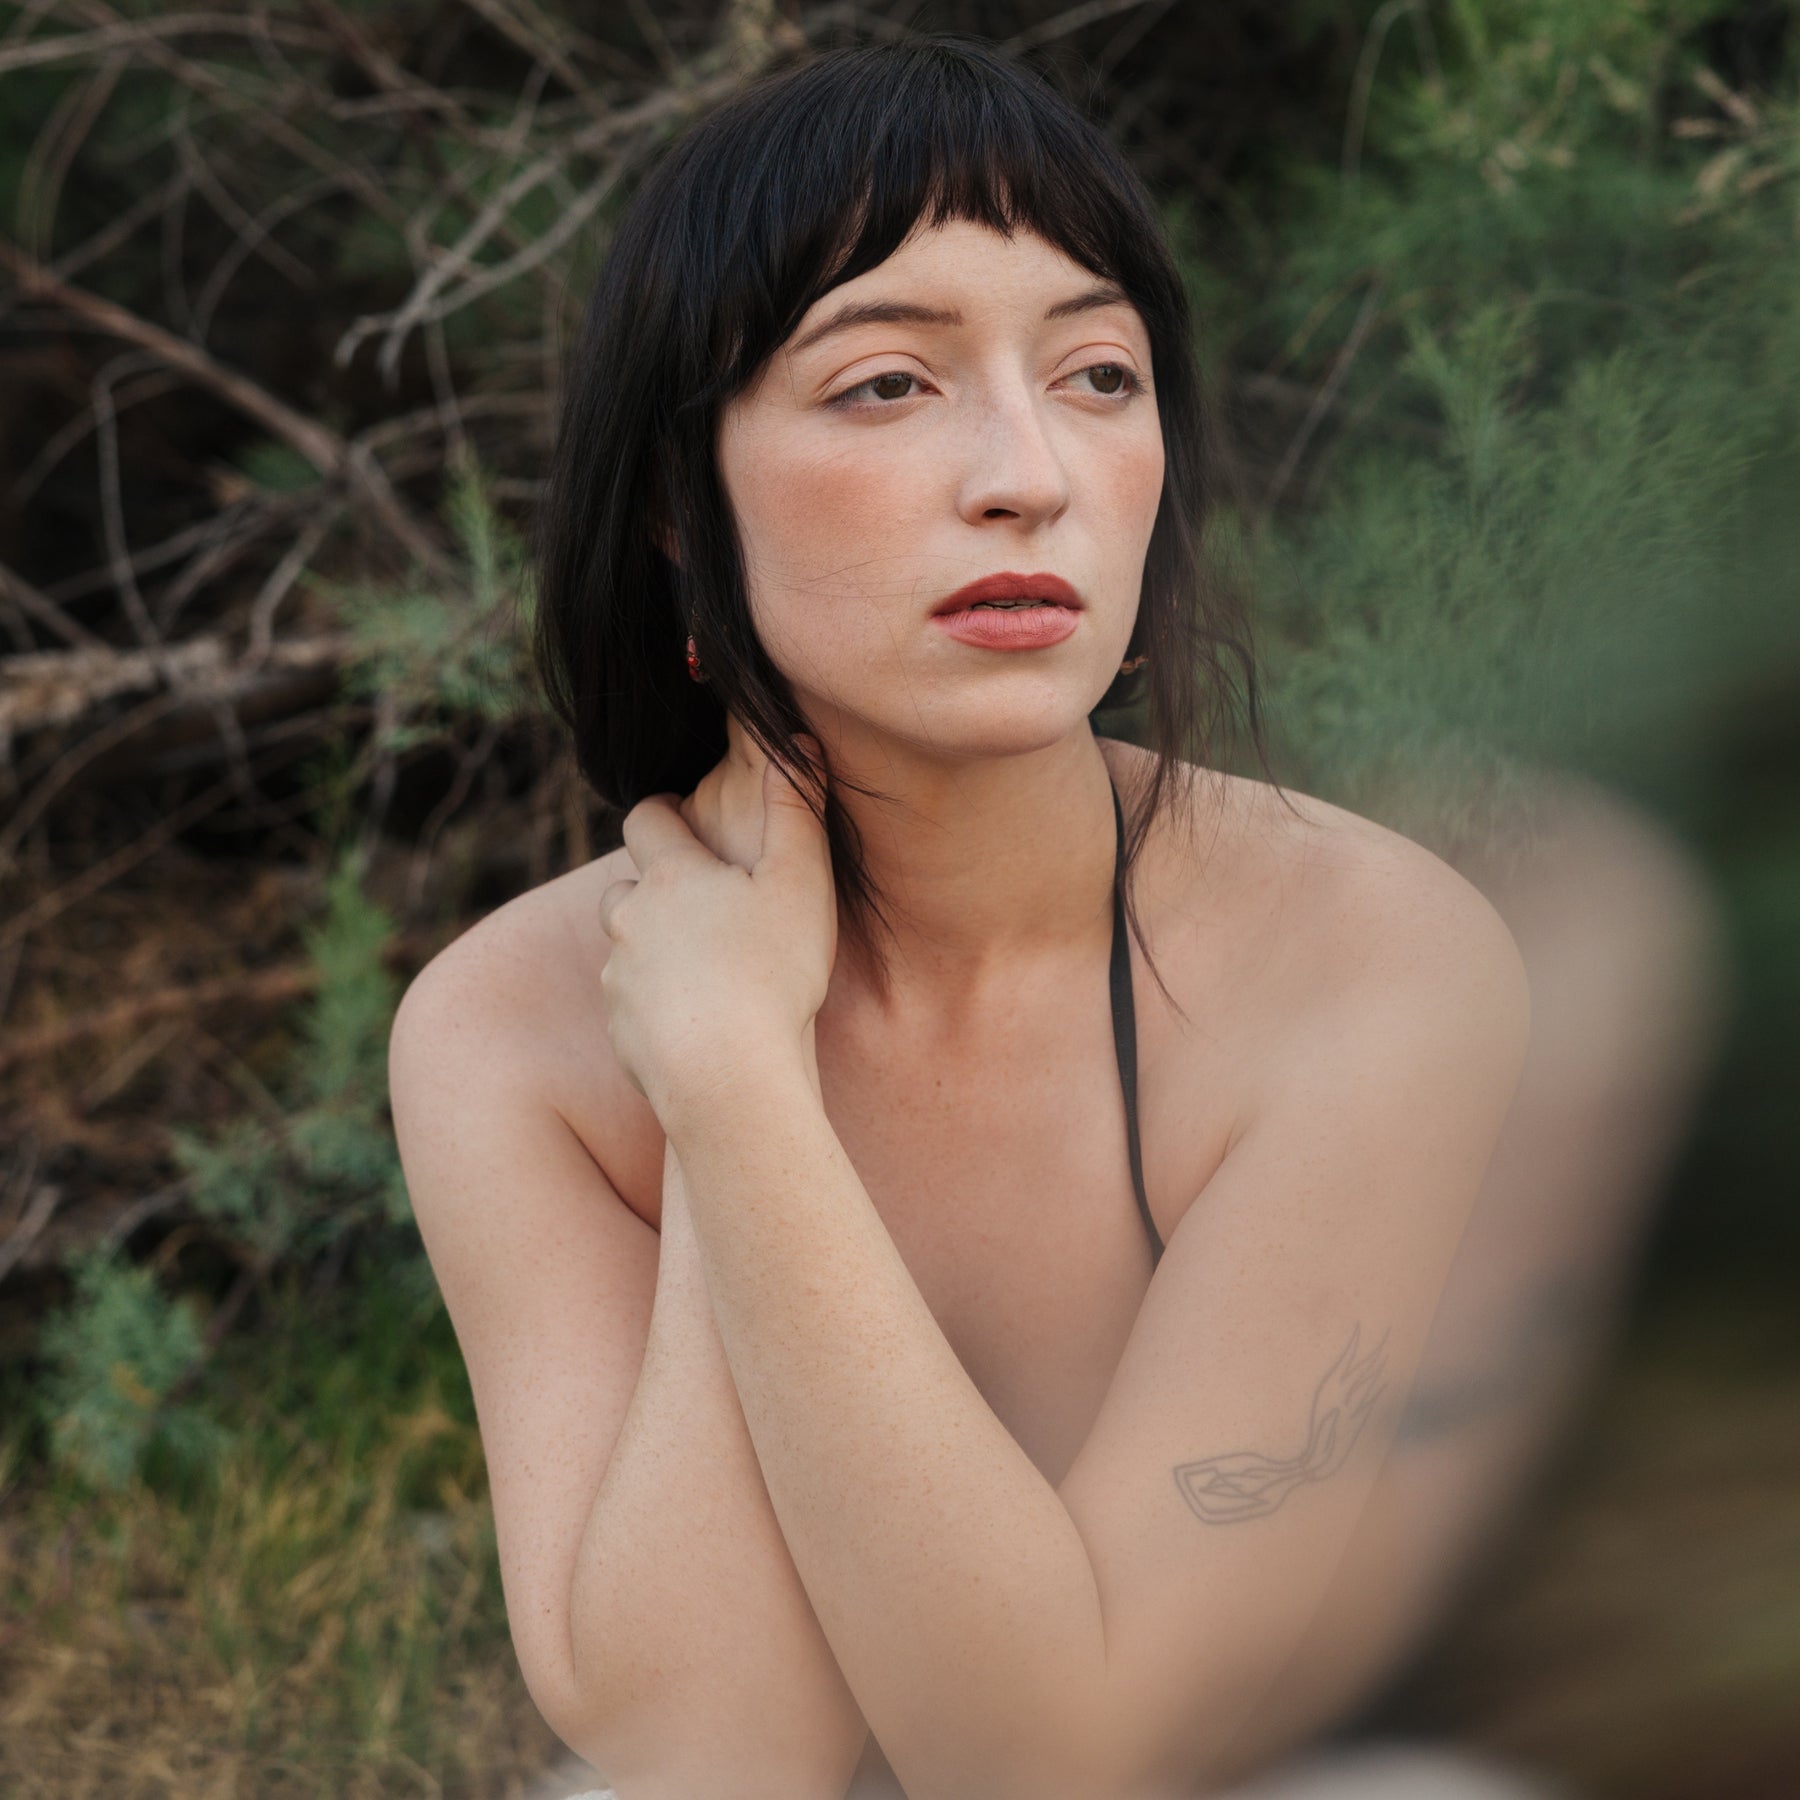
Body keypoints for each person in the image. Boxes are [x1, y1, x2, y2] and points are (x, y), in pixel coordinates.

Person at [388, 35, 1724, 1800]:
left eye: (1099, 374)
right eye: (887, 383)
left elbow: (1059, 1760)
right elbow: (714, 1755)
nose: (1029, 472)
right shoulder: (512, 1029)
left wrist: (737, 1084)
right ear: (670, 499)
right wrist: (722, 1055)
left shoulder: (1362, 958)